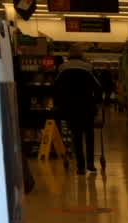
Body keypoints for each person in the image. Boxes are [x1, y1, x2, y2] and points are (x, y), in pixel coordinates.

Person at [53, 45, 101, 175]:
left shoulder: (62, 69)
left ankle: (80, 166)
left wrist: (59, 104)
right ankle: (90, 164)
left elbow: (56, 88)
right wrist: (98, 102)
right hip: (87, 106)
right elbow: (98, 87)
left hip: (71, 107)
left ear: (69, 55)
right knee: (89, 135)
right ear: (81, 54)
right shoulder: (88, 68)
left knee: (76, 136)